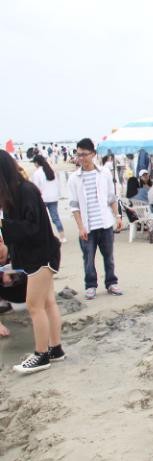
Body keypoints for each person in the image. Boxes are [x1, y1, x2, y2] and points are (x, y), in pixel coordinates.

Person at [0, 150, 65, 373]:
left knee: (34, 305)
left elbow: (32, 228)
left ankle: (41, 355)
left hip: (42, 255)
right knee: (47, 303)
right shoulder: (16, 193)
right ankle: (55, 349)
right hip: (41, 254)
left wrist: (4, 228)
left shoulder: (25, 191)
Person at [68, 139, 123, 301]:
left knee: (109, 257)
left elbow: (111, 197)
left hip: (105, 223)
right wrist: (80, 227)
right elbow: (74, 206)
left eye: (84, 154)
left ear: (93, 154)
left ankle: (111, 282)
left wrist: (117, 216)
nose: (81, 158)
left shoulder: (104, 173)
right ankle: (90, 285)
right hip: (87, 226)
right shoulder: (74, 178)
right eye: (78, 155)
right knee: (88, 258)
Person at [30, 154, 66, 243]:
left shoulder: (37, 173)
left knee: (42, 219)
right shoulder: (51, 170)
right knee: (55, 217)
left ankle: (45, 237)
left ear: (37, 163)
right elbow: (57, 184)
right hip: (54, 197)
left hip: (43, 199)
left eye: (34, 163)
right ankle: (62, 236)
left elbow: (35, 188)